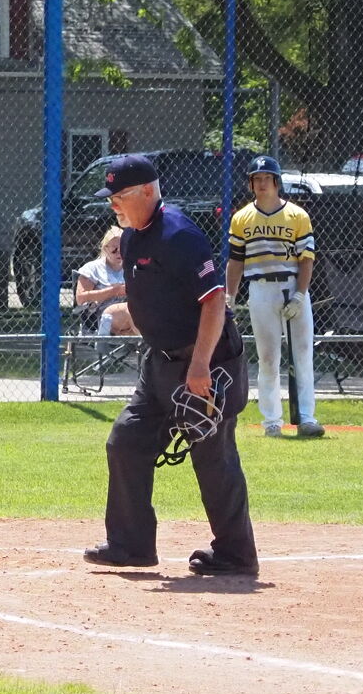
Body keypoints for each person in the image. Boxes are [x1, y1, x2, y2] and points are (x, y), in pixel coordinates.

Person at [83, 154, 258, 576]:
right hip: (159, 364)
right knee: (126, 440)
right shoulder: (129, 239)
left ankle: (237, 554)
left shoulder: (178, 233)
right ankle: (131, 544)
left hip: (208, 362)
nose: (114, 205)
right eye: (110, 199)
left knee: (212, 457)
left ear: (148, 191)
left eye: (120, 196)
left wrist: (198, 366)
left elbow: (215, 300)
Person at [226, 156, 323, 439]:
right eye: (256, 179)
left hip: (292, 286)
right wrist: (229, 295)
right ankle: (272, 420)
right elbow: (235, 260)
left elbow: (306, 259)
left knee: (303, 352)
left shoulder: (297, 215)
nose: (261, 184)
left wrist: (300, 295)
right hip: (261, 288)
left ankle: (306, 416)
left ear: (277, 182)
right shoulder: (242, 218)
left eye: (266, 178)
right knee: (268, 356)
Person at [75, 224, 135, 336]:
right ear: (105, 248)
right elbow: (80, 298)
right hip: (101, 316)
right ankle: (150, 345)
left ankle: (149, 344)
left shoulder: (132, 267)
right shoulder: (93, 268)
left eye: (123, 248)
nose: (119, 253)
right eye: (114, 249)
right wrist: (114, 291)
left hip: (130, 311)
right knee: (132, 310)